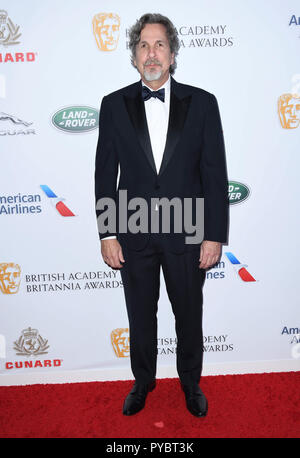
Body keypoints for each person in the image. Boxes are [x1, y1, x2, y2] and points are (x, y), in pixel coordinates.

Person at [95, 13, 228, 417]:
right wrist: (107, 233)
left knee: (188, 313)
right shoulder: (113, 105)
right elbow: (104, 172)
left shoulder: (203, 103)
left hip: (187, 231)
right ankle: (143, 381)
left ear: (172, 54)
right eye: (143, 45)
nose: (151, 53)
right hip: (132, 231)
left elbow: (214, 173)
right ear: (134, 57)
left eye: (159, 45)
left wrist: (213, 235)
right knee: (140, 315)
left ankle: (191, 383)